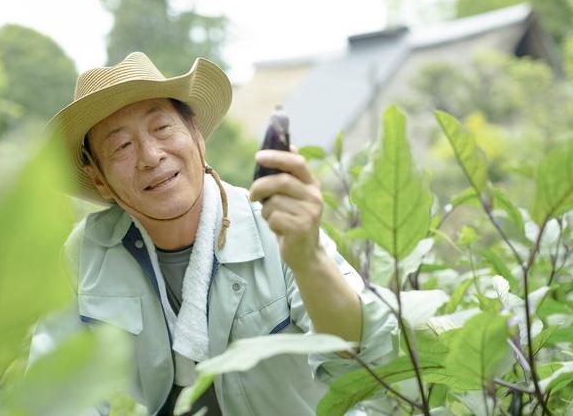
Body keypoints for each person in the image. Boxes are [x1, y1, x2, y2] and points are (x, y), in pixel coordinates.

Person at [29, 52, 398, 416]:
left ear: (197, 137)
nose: (151, 155)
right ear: (99, 180)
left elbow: (365, 354)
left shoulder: (273, 226)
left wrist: (309, 259)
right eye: (121, 146)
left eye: (161, 128)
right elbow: (55, 392)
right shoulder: (86, 253)